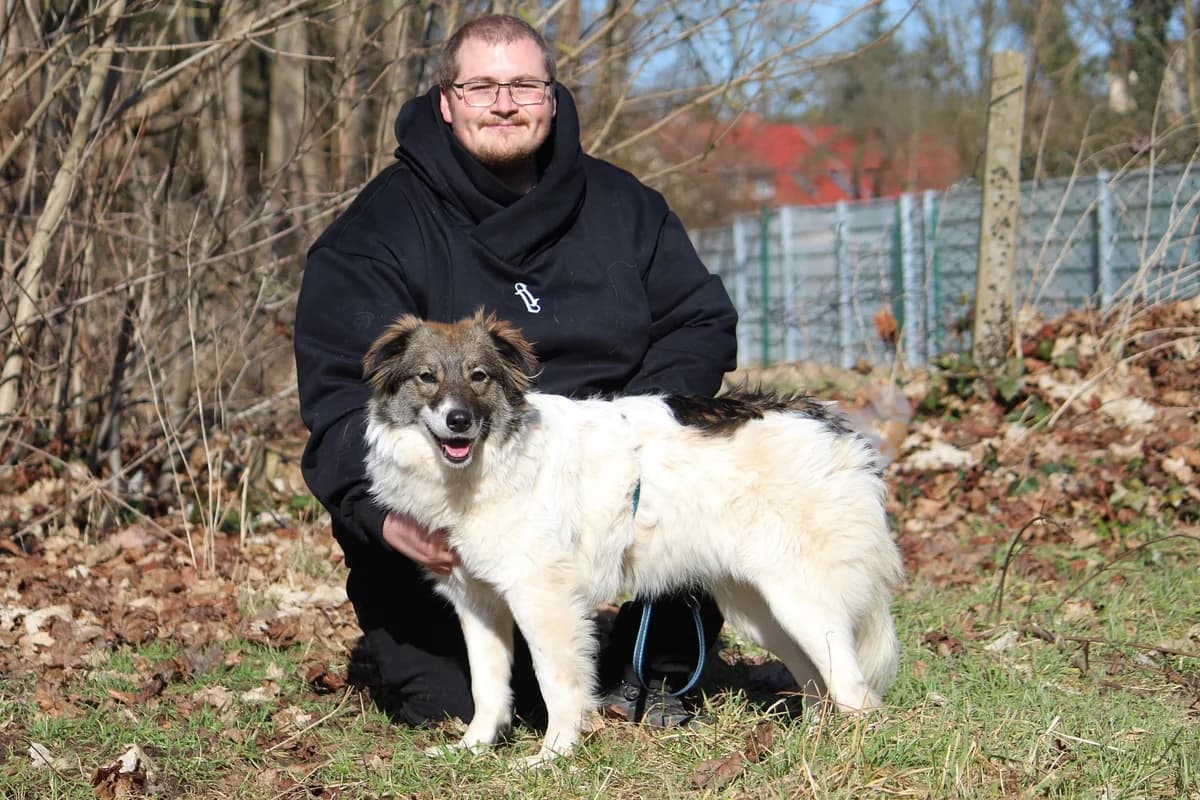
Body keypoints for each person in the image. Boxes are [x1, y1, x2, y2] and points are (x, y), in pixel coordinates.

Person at [294, 13, 737, 730]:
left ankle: (657, 658)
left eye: (525, 84)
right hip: (455, 518)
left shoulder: (625, 205)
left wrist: (633, 431)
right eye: (481, 86)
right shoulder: (376, 230)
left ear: (552, 98)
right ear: (447, 99)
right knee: (464, 705)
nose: (504, 102)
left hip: (613, 492)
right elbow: (339, 394)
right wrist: (377, 515)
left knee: (679, 525)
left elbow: (701, 320)